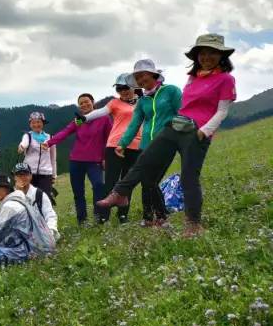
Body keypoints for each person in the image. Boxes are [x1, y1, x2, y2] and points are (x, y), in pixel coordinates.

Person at [98, 34, 237, 238]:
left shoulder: (225, 79)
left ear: (221, 56)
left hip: (196, 132)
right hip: (174, 127)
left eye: (212, 53)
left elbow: (222, 110)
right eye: (203, 53)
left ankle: (193, 224)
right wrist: (123, 142)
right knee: (144, 161)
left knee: (189, 177)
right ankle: (120, 194)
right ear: (197, 56)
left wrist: (204, 131)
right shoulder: (193, 78)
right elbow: (145, 119)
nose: (207, 57)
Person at [113, 60, 182, 227]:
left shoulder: (171, 91)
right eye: (137, 77)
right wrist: (122, 143)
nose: (141, 80)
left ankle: (161, 217)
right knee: (146, 181)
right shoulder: (142, 101)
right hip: (145, 146)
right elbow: (134, 124)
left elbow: (183, 113)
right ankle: (149, 217)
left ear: (154, 74)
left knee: (151, 180)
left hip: (167, 142)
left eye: (143, 75)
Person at [79, 74, 142, 223]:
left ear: (133, 86)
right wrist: (84, 118)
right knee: (111, 182)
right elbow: (99, 112)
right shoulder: (114, 103)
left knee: (128, 182)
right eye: (119, 89)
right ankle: (103, 217)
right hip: (114, 146)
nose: (123, 91)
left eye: (125, 87)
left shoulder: (143, 102)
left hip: (136, 146)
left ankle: (123, 215)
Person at [43, 94, 112, 225]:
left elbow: (109, 139)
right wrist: (49, 142)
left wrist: (105, 157)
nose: (84, 105)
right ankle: (82, 220)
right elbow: (66, 132)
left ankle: (100, 218)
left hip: (95, 161)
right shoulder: (80, 120)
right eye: (81, 103)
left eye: (87, 102)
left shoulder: (103, 118)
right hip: (76, 160)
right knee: (78, 191)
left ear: (93, 102)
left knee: (98, 186)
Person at [11, 162, 59, 241]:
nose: (22, 177)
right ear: (14, 177)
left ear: (31, 176)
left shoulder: (39, 195)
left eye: (25, 174)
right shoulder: (11, 196)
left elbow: (50, 215)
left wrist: (50, 232)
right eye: (19, 175)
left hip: (40, 234)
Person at [17, 112, 57, 201]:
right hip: (29, 173)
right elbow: (24, 143)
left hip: (46, 173)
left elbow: (53, 158)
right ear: (30, 124)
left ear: (43, 123)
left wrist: (54, 175)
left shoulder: (50, 137)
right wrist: (21, 147)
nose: (36, 124)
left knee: (45, 199)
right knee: (29, 198)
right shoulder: (28, 136)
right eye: (33, 122)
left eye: (38, 122)